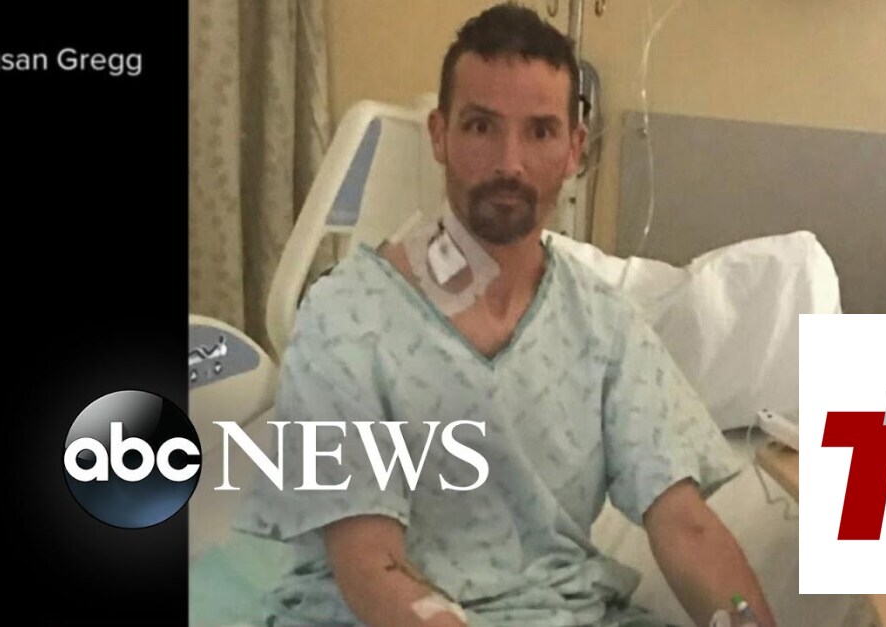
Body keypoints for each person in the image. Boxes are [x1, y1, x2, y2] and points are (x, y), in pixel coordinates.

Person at [235, 3, 777, 626]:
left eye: (540, 132)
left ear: (574, 149)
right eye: (480, 127)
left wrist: (744, 620)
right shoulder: (346, 318)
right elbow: (370, 564)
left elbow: (686, 526)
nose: (509, 163)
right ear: (439, 135)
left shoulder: (603, 324)